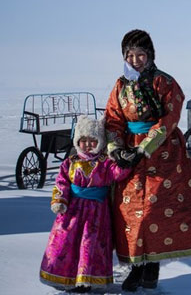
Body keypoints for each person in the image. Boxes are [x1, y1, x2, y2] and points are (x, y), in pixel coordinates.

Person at [105, 29, 191, 291]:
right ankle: (136, 267)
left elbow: (170, 117)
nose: (135, 60)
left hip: (162, 153)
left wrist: (145, 147)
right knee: (130, 213)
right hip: (129, 155)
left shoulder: (165, 82)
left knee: (155, 212)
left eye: (140, 54)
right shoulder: (120, 85)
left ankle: (152, 265)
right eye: (129, 55)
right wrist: (116, 148)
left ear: (150, 55)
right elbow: (113, 118)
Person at [39, 115, 132, 292]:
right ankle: (67, 277)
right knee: (68, 243)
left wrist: (125, 163)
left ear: (100, 142)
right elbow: (61, 182)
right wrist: (60, 200)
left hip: (96, 213)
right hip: (72, 212)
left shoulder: (105, 163)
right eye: (84, 140)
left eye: (93, 140)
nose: (88, 144)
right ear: (77, 141)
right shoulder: (70, 162)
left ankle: (86, 280)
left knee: (90, 244)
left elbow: (117, 173)